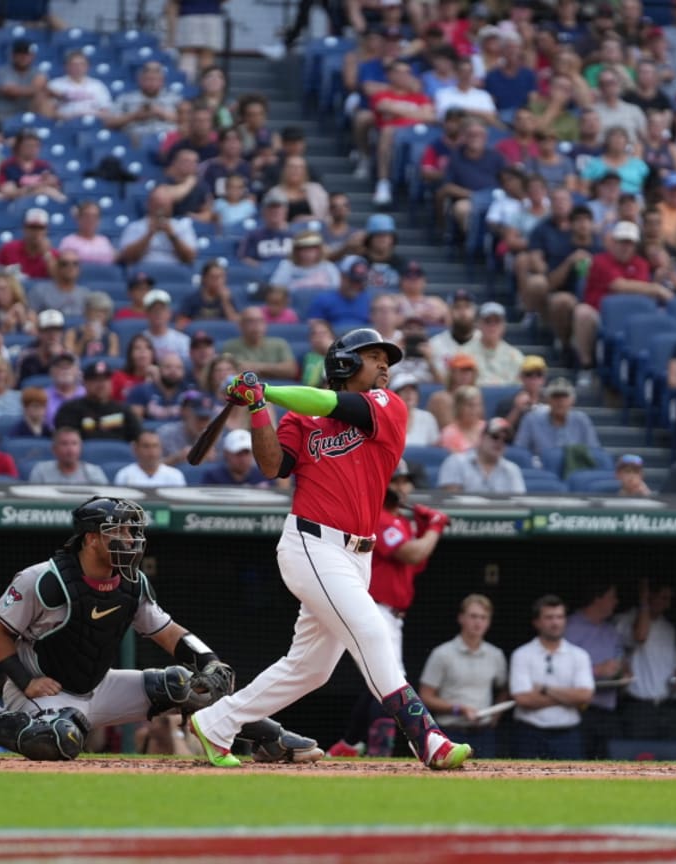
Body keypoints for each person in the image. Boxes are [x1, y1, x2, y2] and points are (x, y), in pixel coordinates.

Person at [186, 329, 471, 770]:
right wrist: (259, 407)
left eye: (386, 360)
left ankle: (217, 723)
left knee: (310, 669)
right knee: (373, 631)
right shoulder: (299, 420)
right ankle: (427, 737)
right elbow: (272, 466)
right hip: (311, 544)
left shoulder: (386, 405)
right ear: (344, 364)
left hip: (360, 555)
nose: (384, 367)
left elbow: (328, 403)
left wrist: (266, 389)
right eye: (374, 357)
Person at [0, 497, 322, 765]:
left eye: (131, 530)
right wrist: (26, 679)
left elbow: (168, 631)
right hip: (45, 691)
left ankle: (271, 738)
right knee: (59, 742)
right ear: (91, 538)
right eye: (119, 530)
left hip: (99, 685)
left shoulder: (132, 581)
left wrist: (208, 659)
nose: (130, 538)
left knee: (185, 685)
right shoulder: (44, 578)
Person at [343, 460, 449, 755]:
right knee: (392, 684)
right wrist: (435, 528)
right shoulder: (378, 516)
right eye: (397, 481)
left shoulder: (400, 520)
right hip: (375, 609)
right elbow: (412, 554)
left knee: (381, 683)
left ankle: (349, 744)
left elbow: (414, 566)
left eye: (406, 481)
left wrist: (425, 529)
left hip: (392, 614)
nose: (403, 487)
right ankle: (378, 751)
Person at [417, 595, 508, 758]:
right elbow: (425, 696)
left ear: (489, 622)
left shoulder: (496, 655)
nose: (478, 622)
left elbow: (504, 689)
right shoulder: (442, 654)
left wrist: (494, 716)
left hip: (484, 734)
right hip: (451, 732)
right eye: (473, 616)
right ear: (461, 618)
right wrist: (458, 708)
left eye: (483, 617)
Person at [509, 594, 594, 760]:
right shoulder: (522, 654)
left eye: (559, 617)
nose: (555, 622)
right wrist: (569, 697)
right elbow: (523, 699)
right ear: (537, 622)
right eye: (549, 617)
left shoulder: (579, 655)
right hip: (530, 735)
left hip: (568, 736)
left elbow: (585, 696)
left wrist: (544, 689)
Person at [564, 581, 628, 759]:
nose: (616, 602)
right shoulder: (569, 627)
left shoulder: (611, 631)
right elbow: (559, 671)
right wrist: (596, 670)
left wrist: (623, 671)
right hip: (579, 711)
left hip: (609, 710)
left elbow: (621, 660)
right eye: (612, 597)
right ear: (597, 598)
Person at [615, 579, 676, 740]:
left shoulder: (668, 628)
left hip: (667, 706)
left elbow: (675, 665)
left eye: (670, 599)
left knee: (670, 760)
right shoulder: (624, 620)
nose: (667, 605)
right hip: (638, 707)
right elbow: (640, 636)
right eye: (663, 598)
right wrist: (643, 602)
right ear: (649, 596)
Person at [513, 377, 599, 465]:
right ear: (548, 399)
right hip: (543, 471)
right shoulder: (531, 419)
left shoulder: (581, 420)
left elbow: (594, 452)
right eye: (555, 396)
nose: (560, 401)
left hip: (575, 469)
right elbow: (520, 451)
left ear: (572, 400)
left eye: (564, 396)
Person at [437, 417, 527, 493]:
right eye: (495, 436)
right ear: (482, 437)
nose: (500, 442)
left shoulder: (512, 470)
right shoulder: (456, 462)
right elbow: (450, 502)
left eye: (506, 440)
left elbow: (519, 504)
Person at [28, 426, 109, 485]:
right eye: (64, 444)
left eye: (74, 444)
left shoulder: (94, 472)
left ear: (81, 448)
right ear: (54, 449)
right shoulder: (41, 471)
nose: (70, 449)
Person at [113, 430, 186, 488]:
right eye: (146, 446)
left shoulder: (175, 475)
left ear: (161, 448)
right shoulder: (124, 475)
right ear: (135, 448)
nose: (152, 452)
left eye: (155, 446)